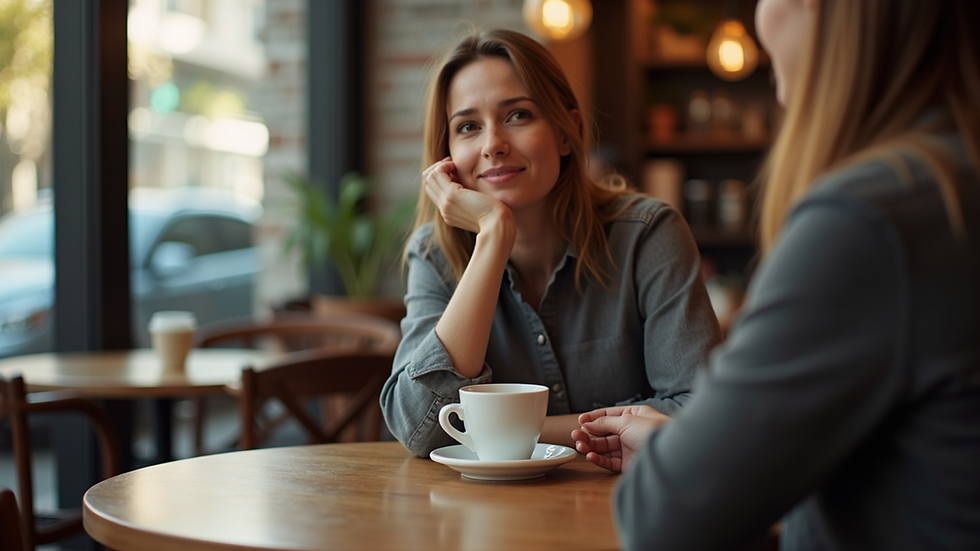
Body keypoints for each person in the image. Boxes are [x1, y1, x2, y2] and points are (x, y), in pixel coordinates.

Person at [572, 0, 980, 549]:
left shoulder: (868, 221)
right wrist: (701, 446)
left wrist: (690, 457)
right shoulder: (952, 178)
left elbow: (662, 519)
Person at [380, 28, 722, 457]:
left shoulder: (648, 234)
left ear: (566, 132)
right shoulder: (435, 254)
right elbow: (417, 427)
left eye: (518, 115)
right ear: (446, 154)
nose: (493, 145)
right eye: (468, 126)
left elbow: (701, 411)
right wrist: (494, 234)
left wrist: (509, 429)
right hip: (483, 518)